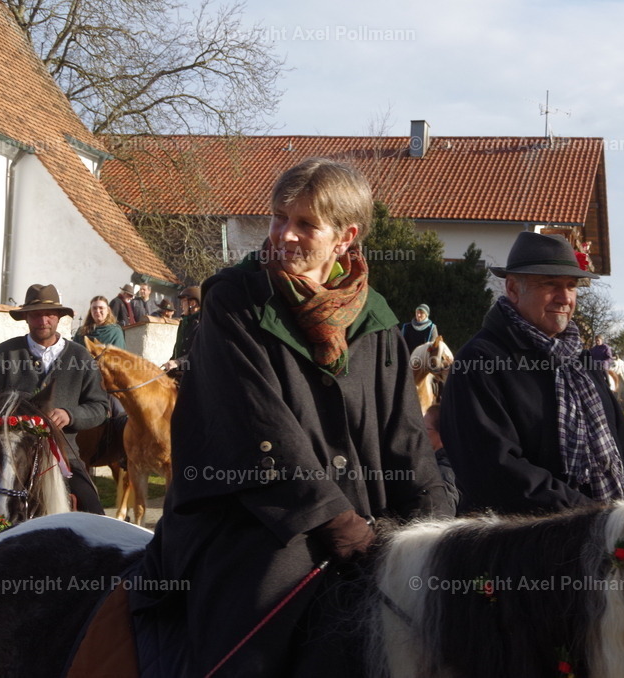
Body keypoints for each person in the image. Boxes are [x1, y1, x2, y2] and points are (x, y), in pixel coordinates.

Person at [130, 158, 454, 676]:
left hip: (364, 525)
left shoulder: (377, 321)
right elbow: (259, 429)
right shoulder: (235, 303)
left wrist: (437, 535)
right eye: (280, 218)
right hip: (255, 518)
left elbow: (408, 442)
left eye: (306, 224)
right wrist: (338, 520)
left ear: (345, 238)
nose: (286, 235)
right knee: (259, 633)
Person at [439, 231, 624, 515]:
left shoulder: (580, 362)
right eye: (550, 284)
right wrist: (591, 516)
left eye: (571, 285)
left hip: (604, 536)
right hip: (521, 545)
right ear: (513, 289)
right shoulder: (480, 362)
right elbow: (495, 471)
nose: (565, 298)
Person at [0, 284, 107, 549]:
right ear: (26, 317)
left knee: (95, 511)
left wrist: (70, 415)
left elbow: (100, 407)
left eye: (49, 313)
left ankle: (103, 578)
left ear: (59, 316)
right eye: (35, 314)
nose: (42, 320)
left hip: (61, 453)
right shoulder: (4, 353)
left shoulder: (80, 357)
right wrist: (4, 419)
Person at [160, 286, 201, 378]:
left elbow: (199, 352)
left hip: (195, 375)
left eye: (183, 302)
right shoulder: (184, 322)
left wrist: (178, 362)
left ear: (193, 303)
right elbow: (177, 350)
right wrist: (170, 363)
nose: (181, 305)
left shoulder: (203, 324)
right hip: (179, 371)